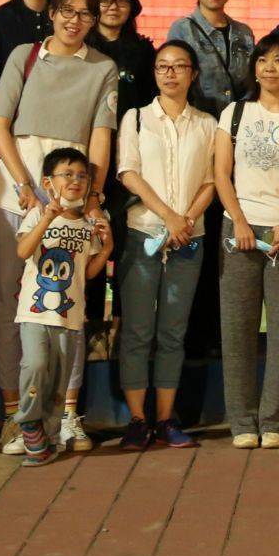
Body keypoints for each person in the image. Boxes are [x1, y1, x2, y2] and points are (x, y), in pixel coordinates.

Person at [0, 0, 119, 454]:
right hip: (14, 193)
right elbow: (0, 124)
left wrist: (93, 195)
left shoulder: (103, 66)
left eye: (85, 13)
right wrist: (25, 184)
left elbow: (101, 134)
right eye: (67, 10)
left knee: (72, 301)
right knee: (13, 303)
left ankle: (66, 413)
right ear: (53, 11)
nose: (74, 20)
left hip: (73, 192)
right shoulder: (24, 55)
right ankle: (14, 417)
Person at [214, 35, 279, 450]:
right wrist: (239, 221)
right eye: (263, 60)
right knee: (236, 332)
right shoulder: (235, 113)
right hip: (238, 231)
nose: (270, 67)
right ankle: (241, 422)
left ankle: (275, 421)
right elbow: (222, 173)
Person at [114, 37, 216, 451]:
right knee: (137, 330)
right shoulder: (136, 119)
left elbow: (212, 180)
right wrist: (169, 217)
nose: (170, 73)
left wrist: (186, 220)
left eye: (179, 66)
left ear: (193, 74)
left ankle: (165, 417)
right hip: (144, 233)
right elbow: (128, 173)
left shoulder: (208, 124)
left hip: (190, 238)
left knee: (173, 332)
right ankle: (137, 420)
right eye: (162, 66)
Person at [11, 148, 112, 468]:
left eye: (82, 176)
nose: (75, 181)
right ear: (48, 181)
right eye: (67, 174)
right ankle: (28, 422)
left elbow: (90, 272)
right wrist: (47, 218)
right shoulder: (38, 214)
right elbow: (23, 250)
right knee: (36, 365)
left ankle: (49, 437)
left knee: (59, 379)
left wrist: (107, 245)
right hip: (35, 312)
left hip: (70, 317)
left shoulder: (88, 223)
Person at [168, 0, 256, 113]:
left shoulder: (244, 34)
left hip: (239, 126)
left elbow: (251, 84)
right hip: (197, 125)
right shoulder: (182, 30)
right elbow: (174, 82)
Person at [88, 0, 157, 118]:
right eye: (105, 0)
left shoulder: (144, 51)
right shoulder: (81, 47)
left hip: (132, 131)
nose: (114, 7)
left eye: (121, 1)